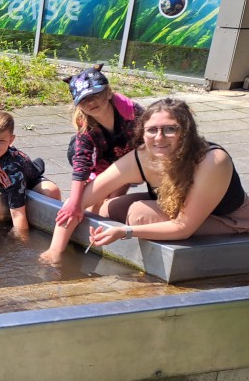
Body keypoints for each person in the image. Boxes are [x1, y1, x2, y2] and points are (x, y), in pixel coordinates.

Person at [41, 99, 249, 263]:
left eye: (170, 129)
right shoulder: (141, 156)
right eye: (152, 130)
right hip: (175, 207)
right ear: (142, 132)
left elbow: (183, 227)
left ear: (186, 132)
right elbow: (78, 203)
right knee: (108, 208)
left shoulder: (212, 161)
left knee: (139, 215)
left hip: (230, 220)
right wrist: (54, 252)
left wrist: (126, 232)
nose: (159, 138)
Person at [61, 64, 144, 226]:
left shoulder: (132, 112)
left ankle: (105, 222)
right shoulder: (86, 125)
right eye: (83, 99)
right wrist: (74, 202)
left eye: (95, 95)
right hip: (101, 157)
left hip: (129, 159)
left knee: (113, 196)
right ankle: (89, 226)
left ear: (108, 93)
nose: (90, 102)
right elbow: (81, 164)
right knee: (93, 199)